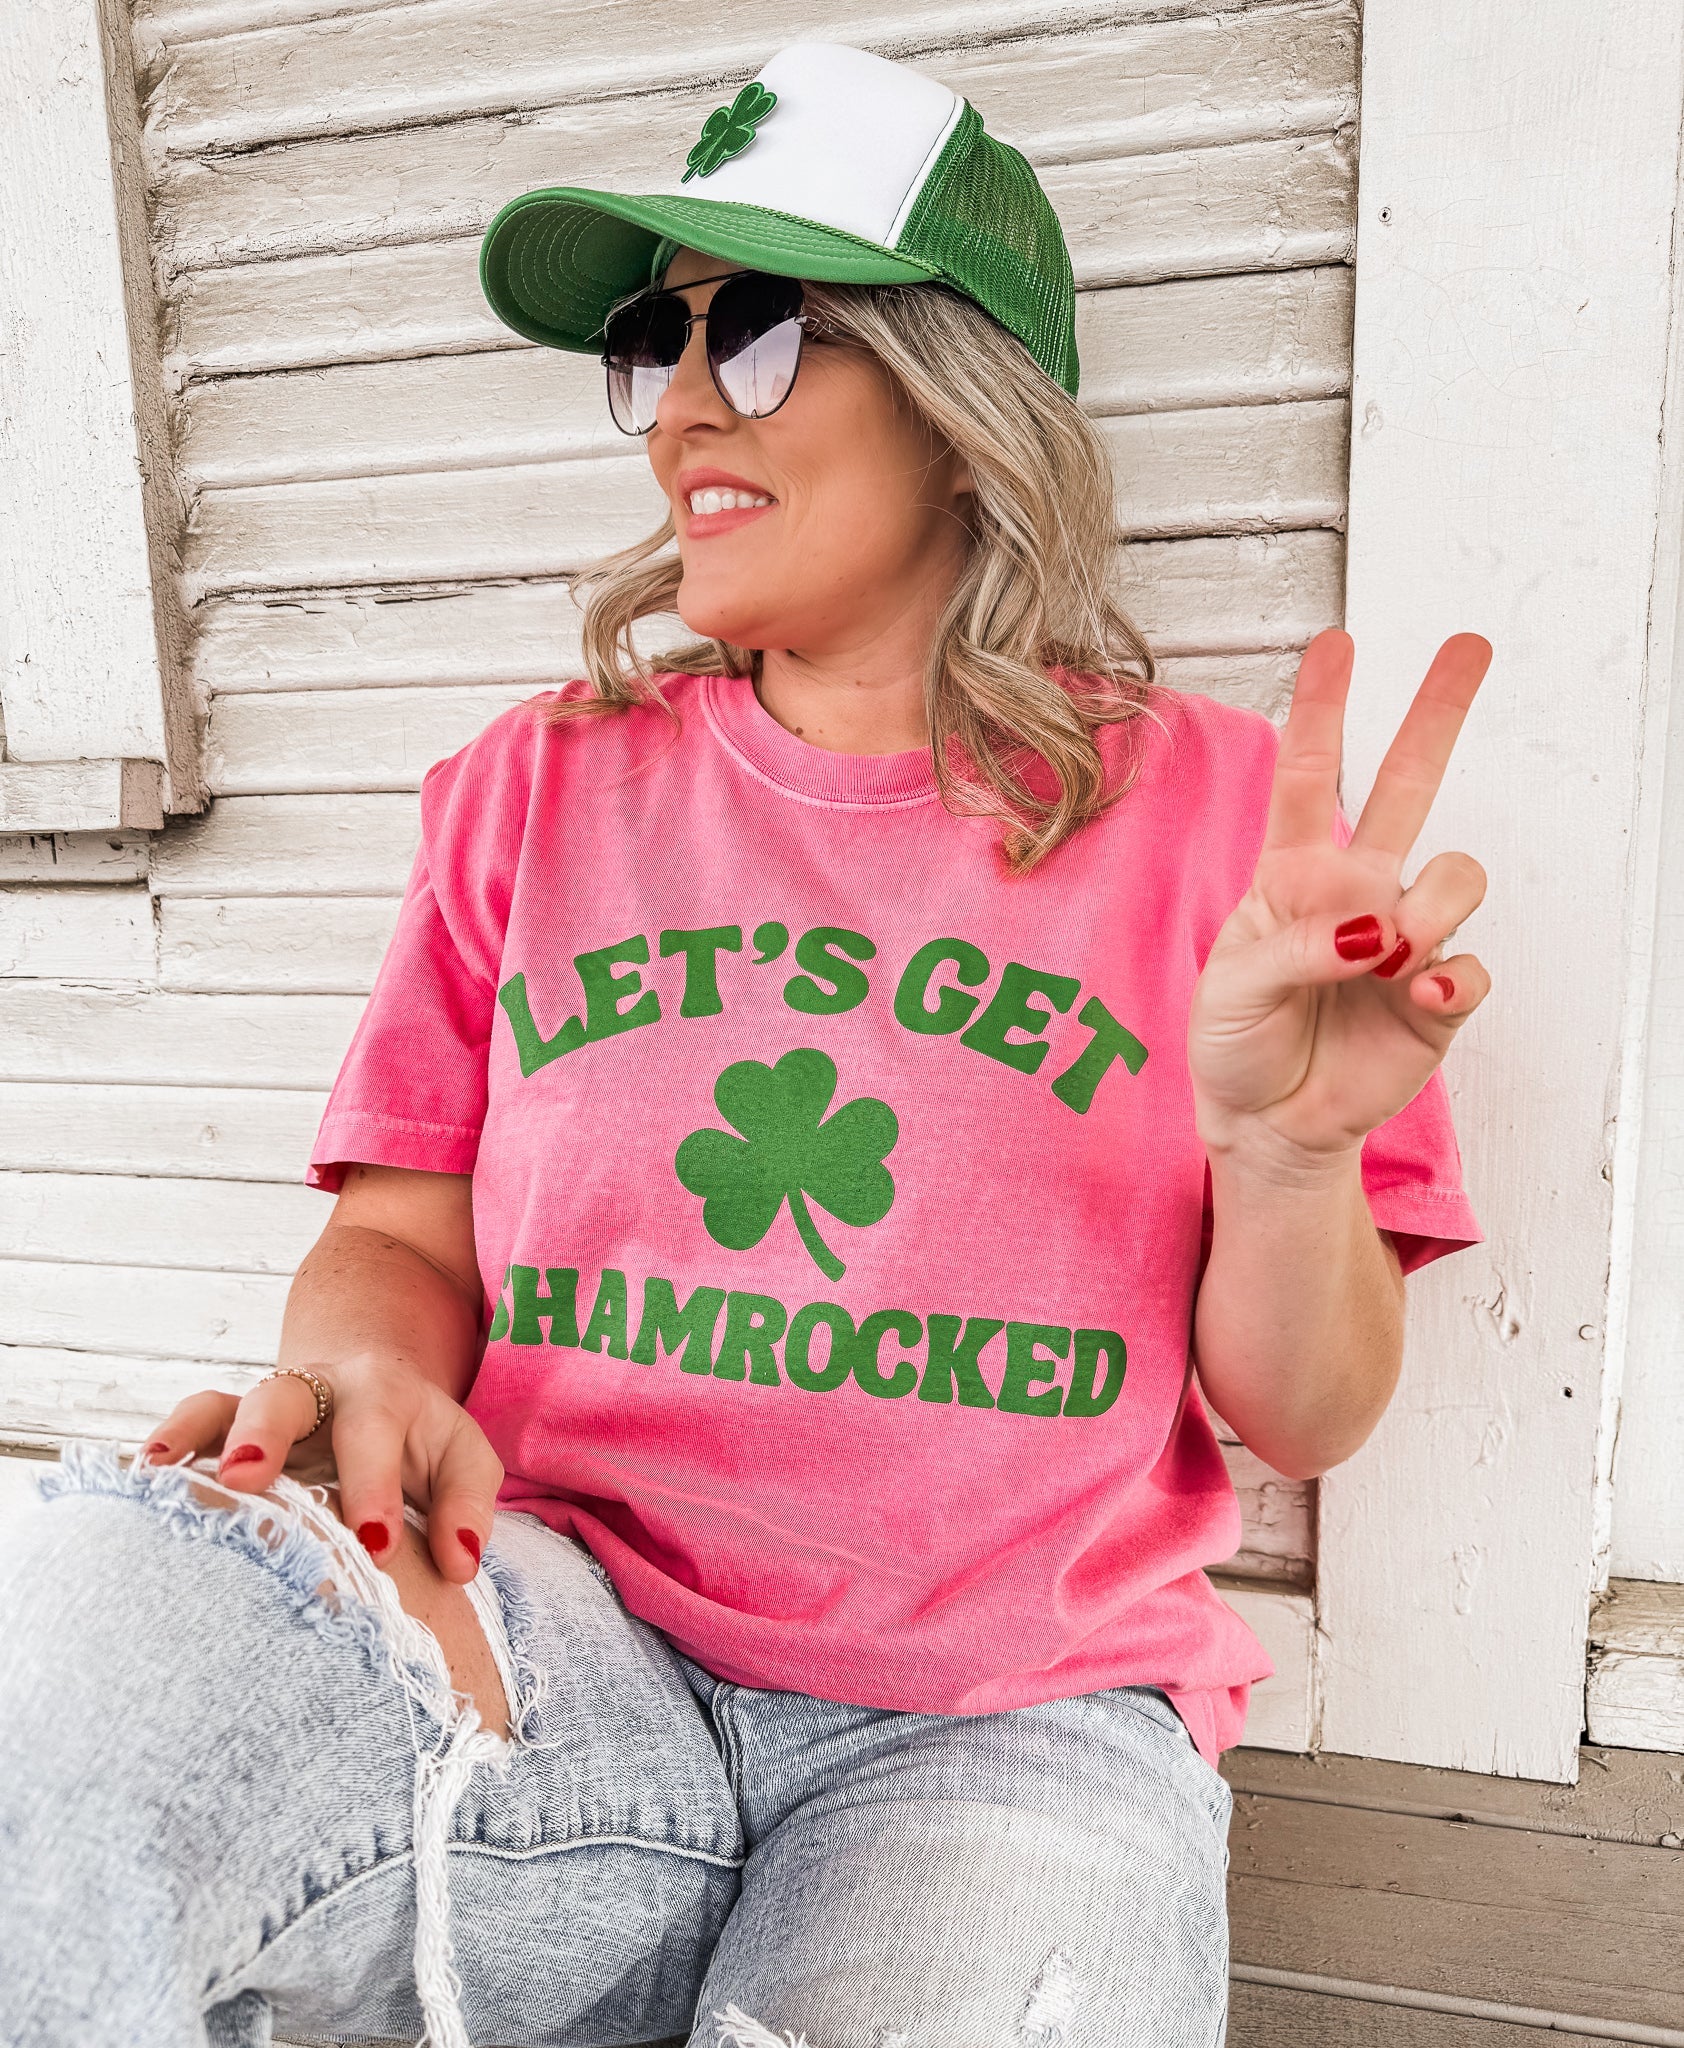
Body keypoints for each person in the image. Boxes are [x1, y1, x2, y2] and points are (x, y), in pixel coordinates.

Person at [0, 39, 1489, 2048]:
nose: (681, 405)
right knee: (101, 1623)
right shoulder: (530, 794)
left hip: (998, 1727)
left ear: (962, 405)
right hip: (565, 1648)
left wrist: (1292, 1155)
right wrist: (354, 1384)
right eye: (652, 340)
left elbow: (1301, 1414)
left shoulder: (1234, 838)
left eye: (763, 332)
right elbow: (404, 1240)